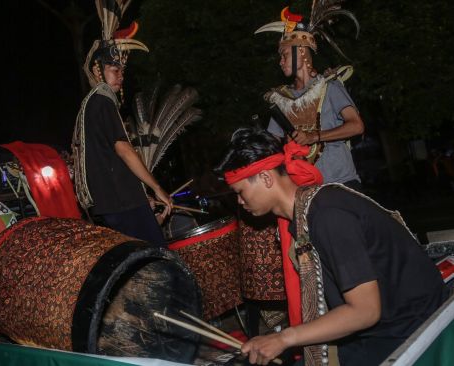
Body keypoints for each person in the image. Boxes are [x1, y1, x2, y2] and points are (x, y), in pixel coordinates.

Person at [217, 127, 448, 365]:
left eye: (240, 192)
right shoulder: (304, 214)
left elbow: (365, 311)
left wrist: (284, 338)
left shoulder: (328, 216)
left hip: (413, 329)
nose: (240, 201)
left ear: (266, 178)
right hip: (381, 329)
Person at [72, 0, 172, 245]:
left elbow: (110, 162)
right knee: (158, 258)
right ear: (98, 71)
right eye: (114, 69)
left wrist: (142, 196)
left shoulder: (93, 104)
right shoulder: (102, 101)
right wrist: (157, 188)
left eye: (122, 71)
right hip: (121, 202)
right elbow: (124, 150)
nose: (120, 76)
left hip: (117, 202)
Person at [256, 5, 364, 190]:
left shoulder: (330, 86)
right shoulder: (281, 98)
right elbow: (271, 144)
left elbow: (356, 126)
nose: (280, 62)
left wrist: (313, 136)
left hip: (341, 182)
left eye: (285, 55)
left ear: (302, 52)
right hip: (305, 188)